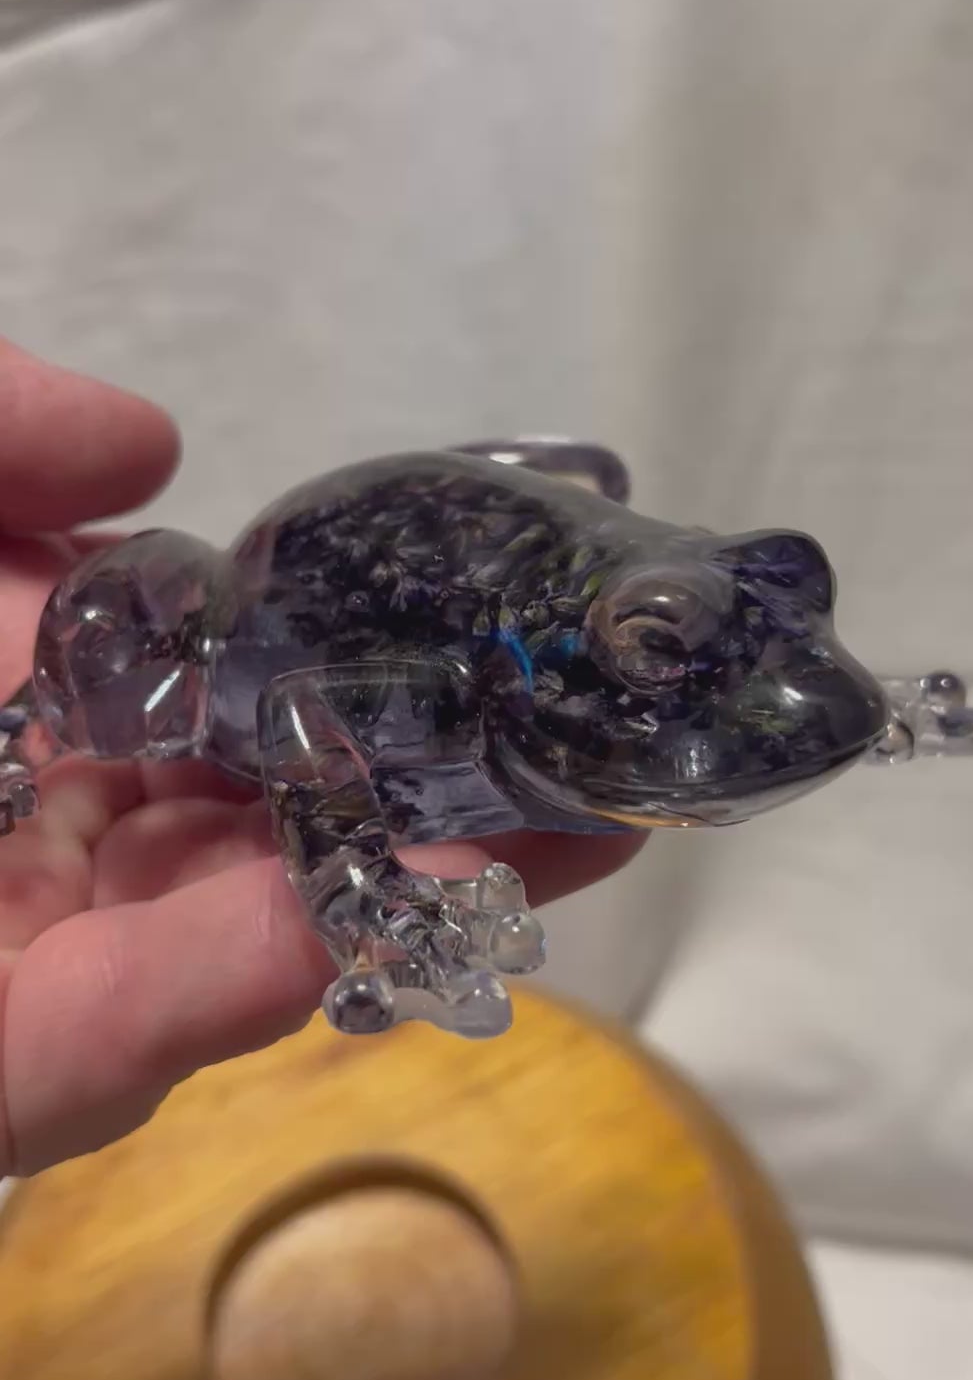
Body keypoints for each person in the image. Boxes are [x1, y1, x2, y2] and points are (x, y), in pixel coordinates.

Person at [0, 339, 643, 1179]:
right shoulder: (433, 681)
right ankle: (19, 726)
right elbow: (305, 706)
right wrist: (360, 884)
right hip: (261, 633)